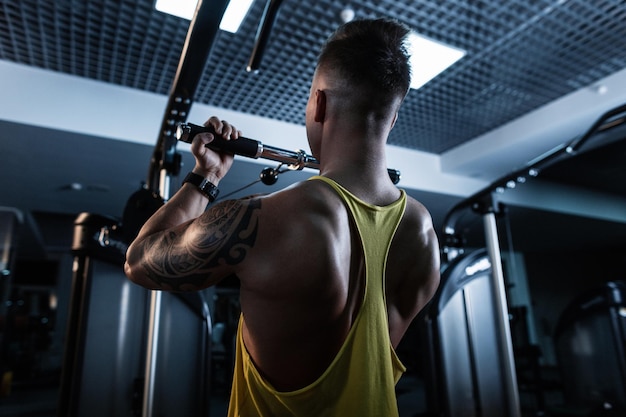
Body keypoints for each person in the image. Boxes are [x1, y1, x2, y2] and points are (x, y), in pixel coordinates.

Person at [124, 17, 440, 417]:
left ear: (319, 104)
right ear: (393, 118)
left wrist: (206, 176)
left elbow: (139, 260)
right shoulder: (423, 232)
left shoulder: (274, 219)